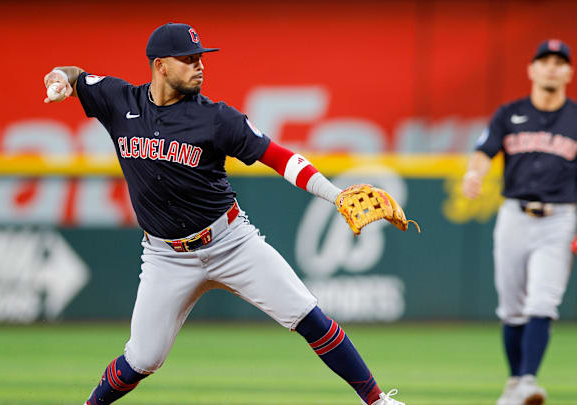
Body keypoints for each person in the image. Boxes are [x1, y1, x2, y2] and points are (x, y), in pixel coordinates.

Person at [44, 22, 406, 405]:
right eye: (188, 59)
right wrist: (60, 77)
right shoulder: (120, 101)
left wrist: (334, 195)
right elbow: (77, 76)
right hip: (166, 256)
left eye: (201, 58)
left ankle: (377, 401)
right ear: (160, 65)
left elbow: (279, 157)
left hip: (230, 242)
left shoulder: (216, 118)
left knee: (306, 313)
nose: (199, 66)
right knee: (142, 358)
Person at [462, 39, 577, 405]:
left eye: (560, 62)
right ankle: (515, 383)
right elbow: (484, 151)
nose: (552, 67)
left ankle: (527, 381)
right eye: (544, 61)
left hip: (560, 219)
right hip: (514, 215)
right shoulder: (509, 114)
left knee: (542, 302)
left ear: (569, 73)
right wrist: (473, 173)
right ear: (531, 70)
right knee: (511, 308)